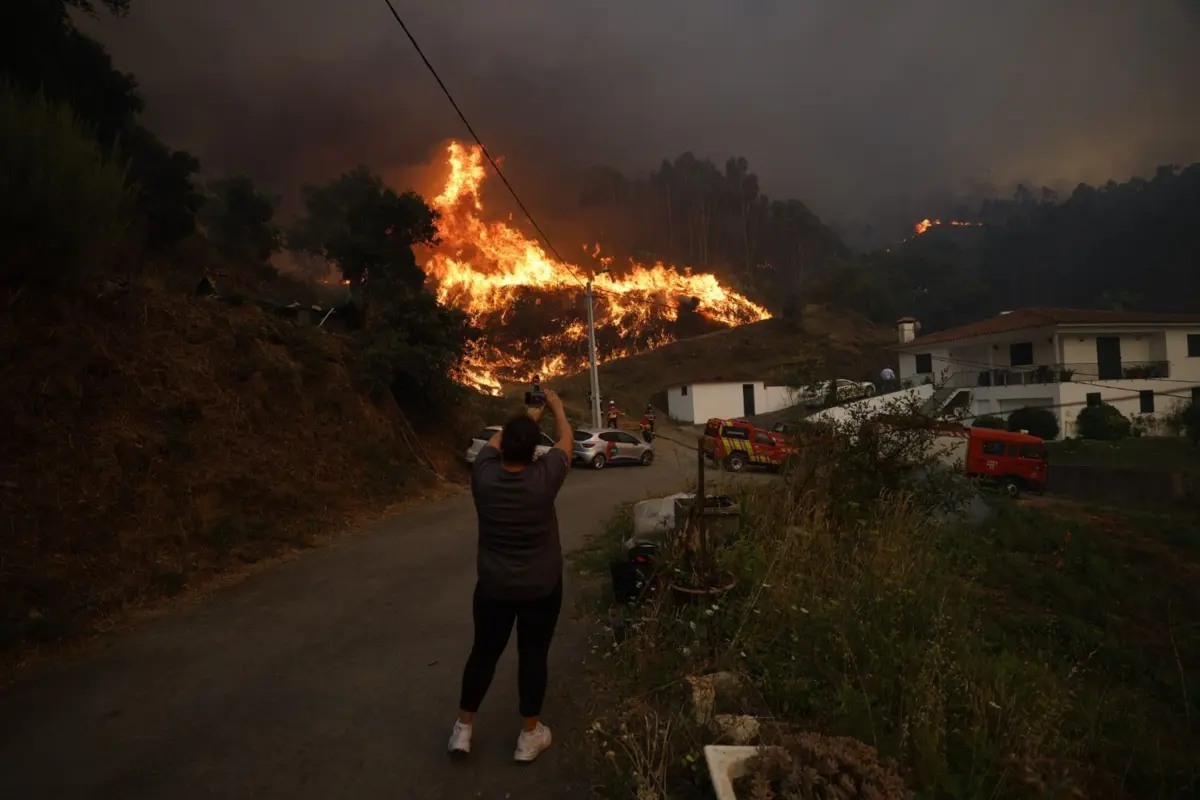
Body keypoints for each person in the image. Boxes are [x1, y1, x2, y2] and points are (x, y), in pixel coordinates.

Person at [447, 388, 573, 762]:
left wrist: (527, 417)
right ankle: (529, 736)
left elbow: (497, 440)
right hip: (540, 587)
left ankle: (463, 730)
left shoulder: (482, 476)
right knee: (532, 656)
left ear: (504, 447)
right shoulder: (544, 478)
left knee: (483, 653)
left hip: (493, 587)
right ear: (535, 452)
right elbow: (565, 441)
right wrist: (556, 408)